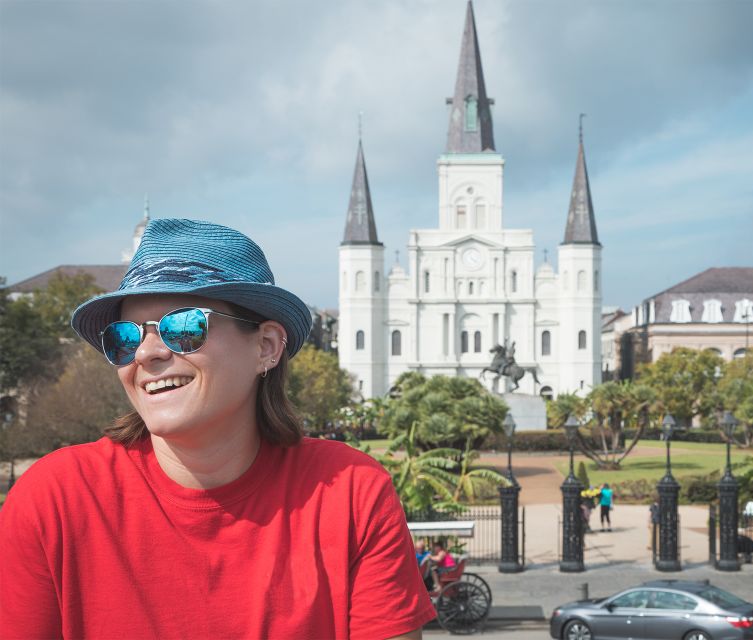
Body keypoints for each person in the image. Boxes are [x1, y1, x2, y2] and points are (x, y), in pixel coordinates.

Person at [0, 219, 434, 639]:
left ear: (266, 347)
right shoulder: (55, 500)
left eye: (183, 327)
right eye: (124, 337)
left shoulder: (350, 493)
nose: (147, 353)